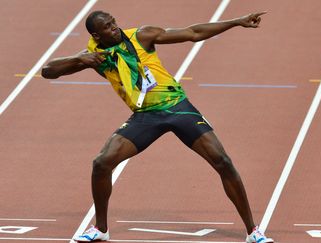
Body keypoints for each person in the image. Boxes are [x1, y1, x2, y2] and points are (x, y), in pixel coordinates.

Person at [42, 10, 273, 243]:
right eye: (108, 27)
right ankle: (101, 229)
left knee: (222, 160)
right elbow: (48, 71)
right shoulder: (95, 57)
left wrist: (236, 22)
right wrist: (80, 60)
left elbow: (193, 33)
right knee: (102, 163)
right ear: (96, 35)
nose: (115, 27)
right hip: (145, 115)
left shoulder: (142, 36)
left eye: (114, 22)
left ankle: (253, 231)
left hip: (178, 107)